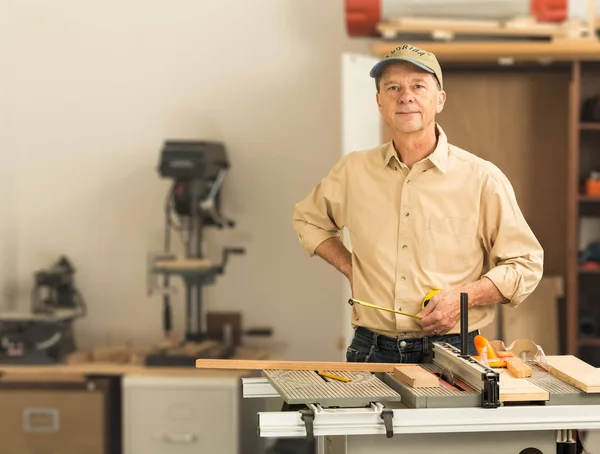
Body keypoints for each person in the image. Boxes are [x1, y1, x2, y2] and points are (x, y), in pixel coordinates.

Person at [292, 44, 544, 365]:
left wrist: (463, 299)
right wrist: (351, 268)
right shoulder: (352, 171)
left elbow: (526, 264)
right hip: (370, 349)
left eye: (418, 86)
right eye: (393, 87)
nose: (405, 96)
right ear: (379, 102)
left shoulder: (482, 179)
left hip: (454, 352)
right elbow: (308, 220)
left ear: (439, 100)